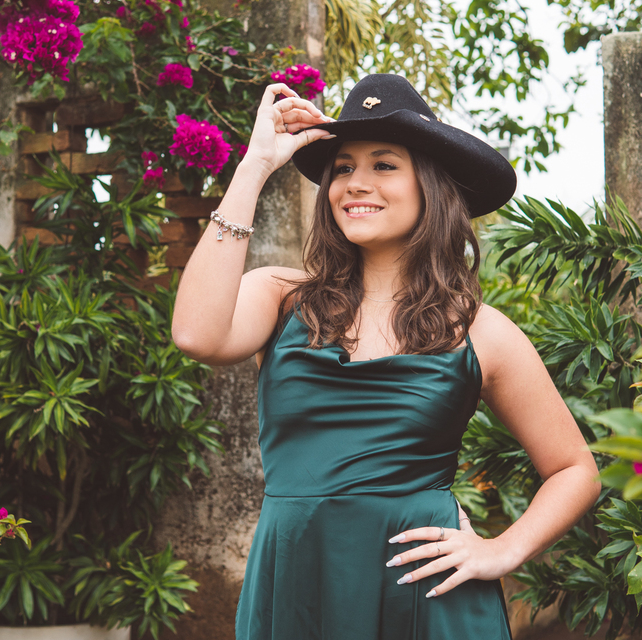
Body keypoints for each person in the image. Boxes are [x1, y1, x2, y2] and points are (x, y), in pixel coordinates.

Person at [172, 74, 600, 639]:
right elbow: (196, 336)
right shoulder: (281, 296)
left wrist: (501, 550)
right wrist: (254, 167)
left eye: (384, 165)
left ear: (430, 187)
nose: (356, 183)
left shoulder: (481, 331)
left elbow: (575, 470)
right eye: (342, 167)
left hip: (426, 595)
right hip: (298, 584)